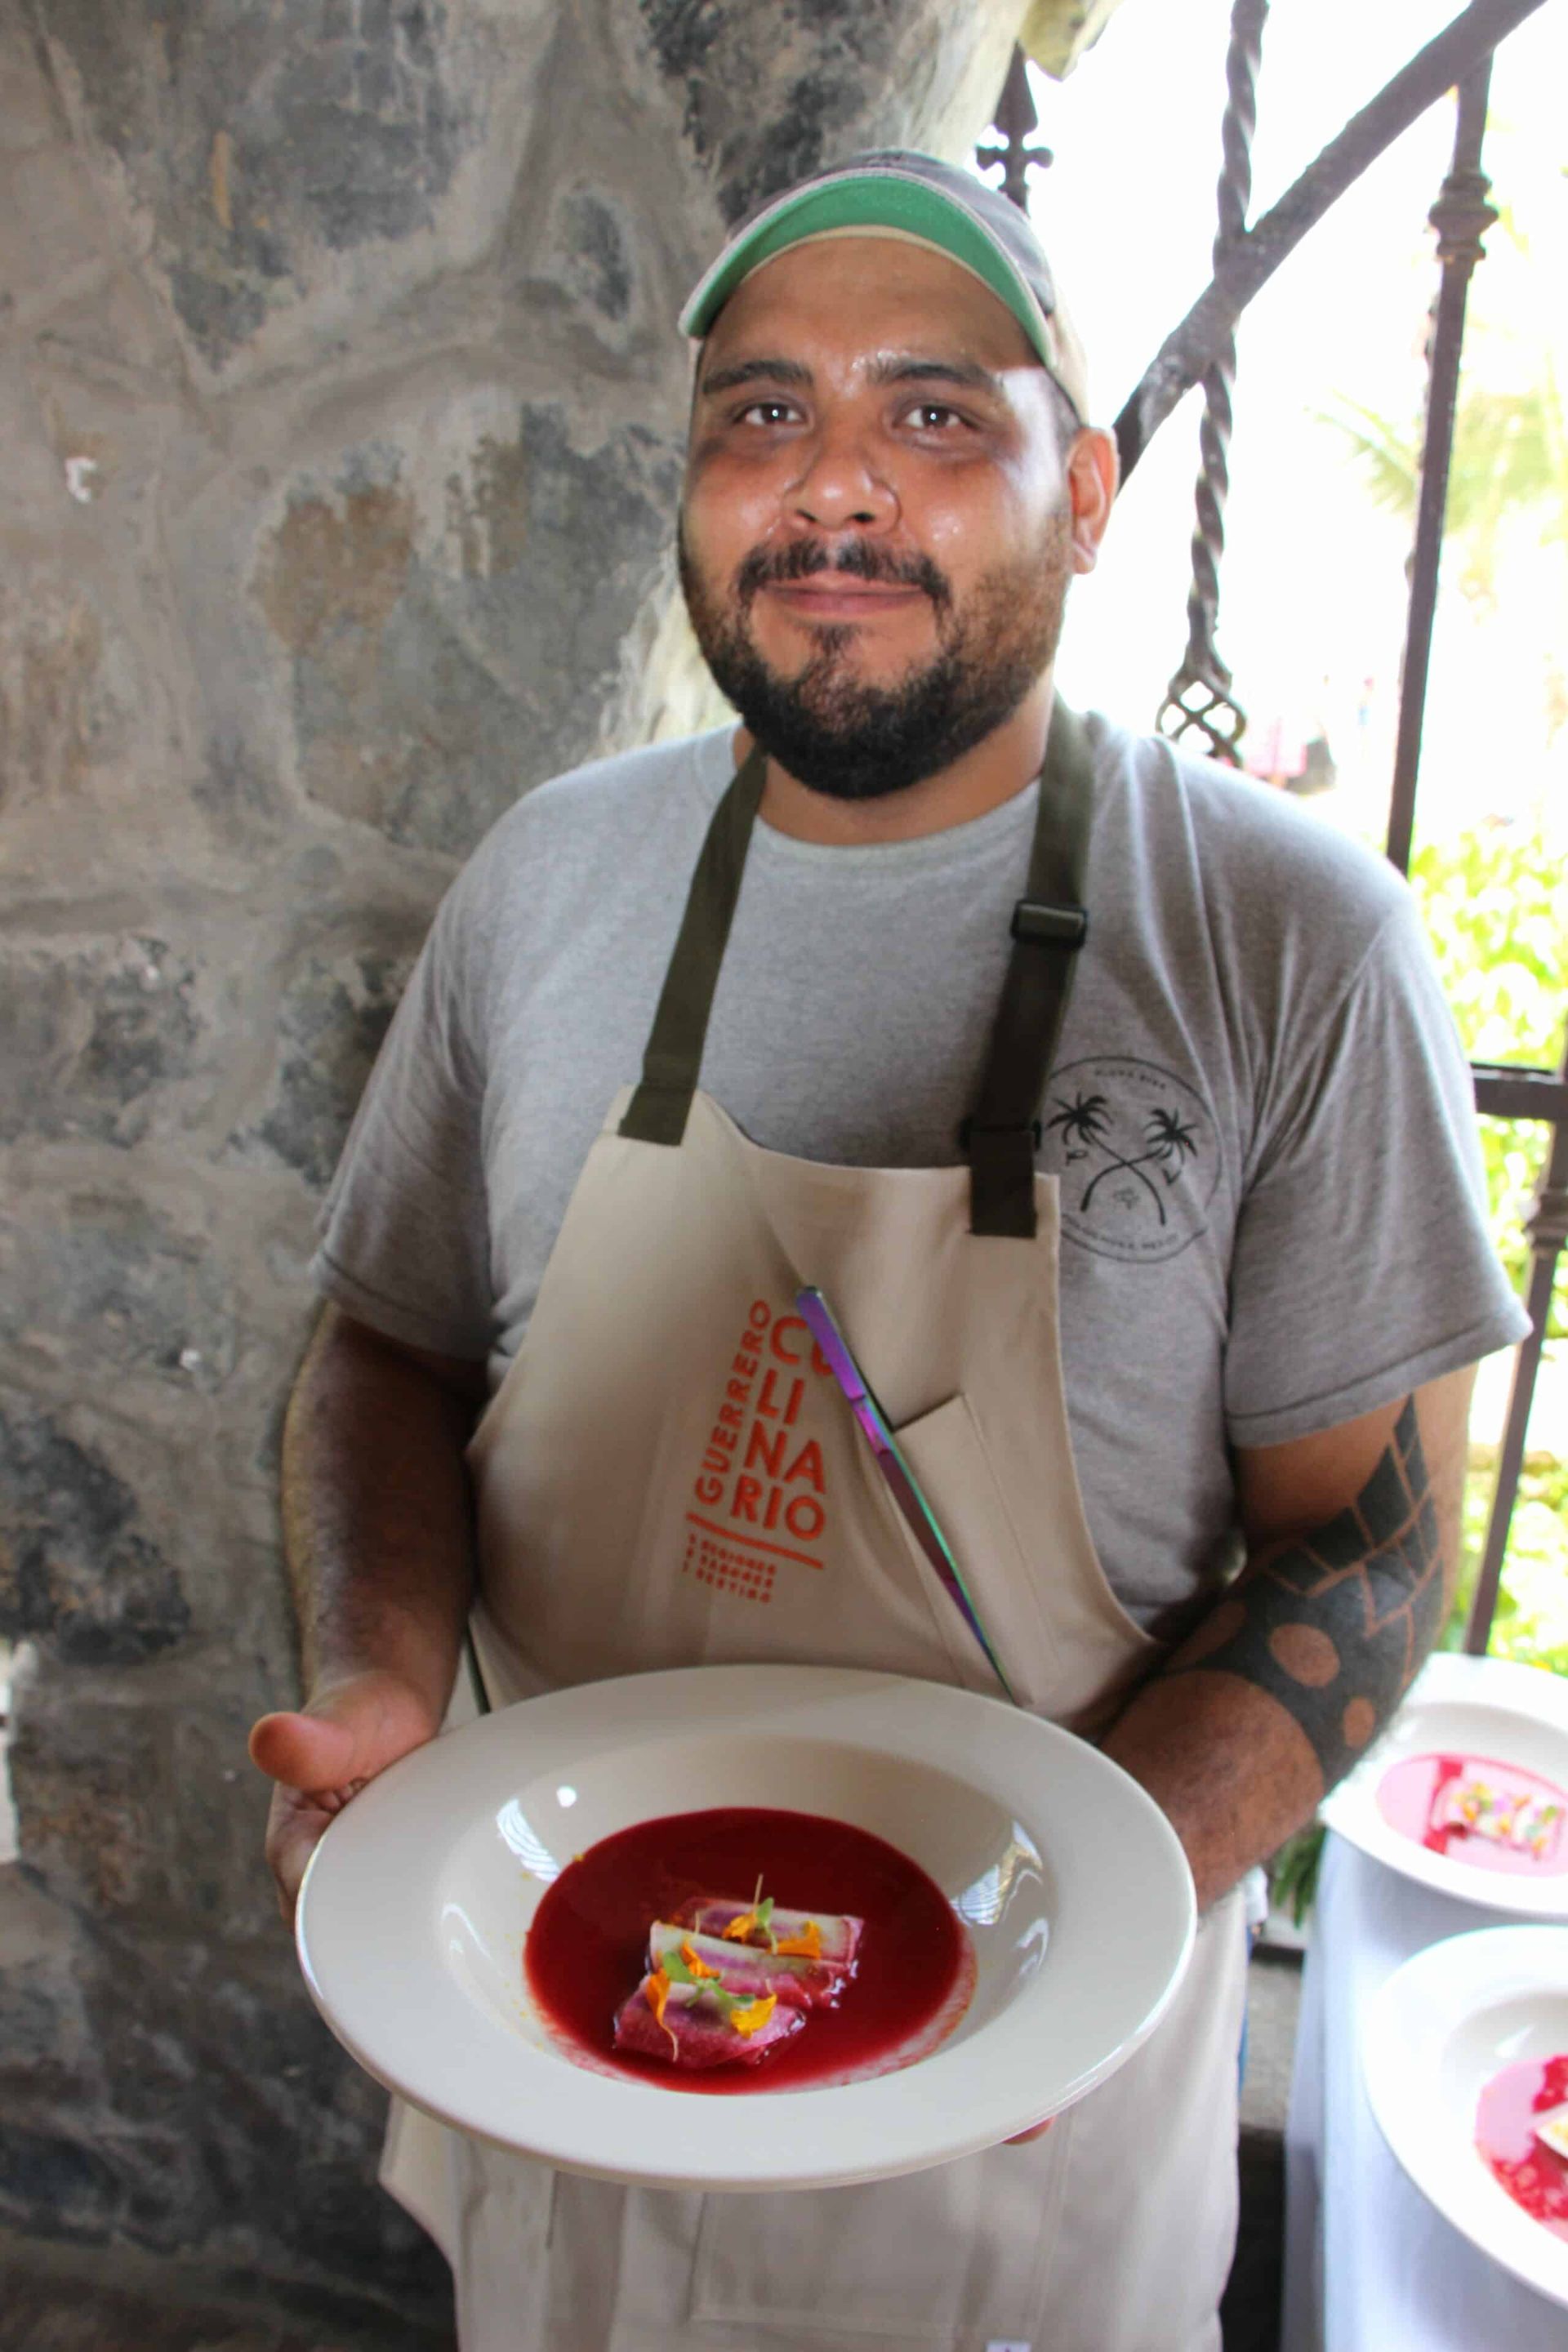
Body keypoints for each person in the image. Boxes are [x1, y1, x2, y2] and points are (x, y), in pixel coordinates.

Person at [249, 152, 1527, 2352]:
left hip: (1020, 2146)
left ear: (1093, 487)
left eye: (937, 413)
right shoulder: (546, 881)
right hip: (559, 2013)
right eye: (763, 412)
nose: (833, 484)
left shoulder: (1290, 944)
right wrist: (378, 1684)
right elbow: (389, 1347)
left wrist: (1087, 1918)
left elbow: (1370, 1550)